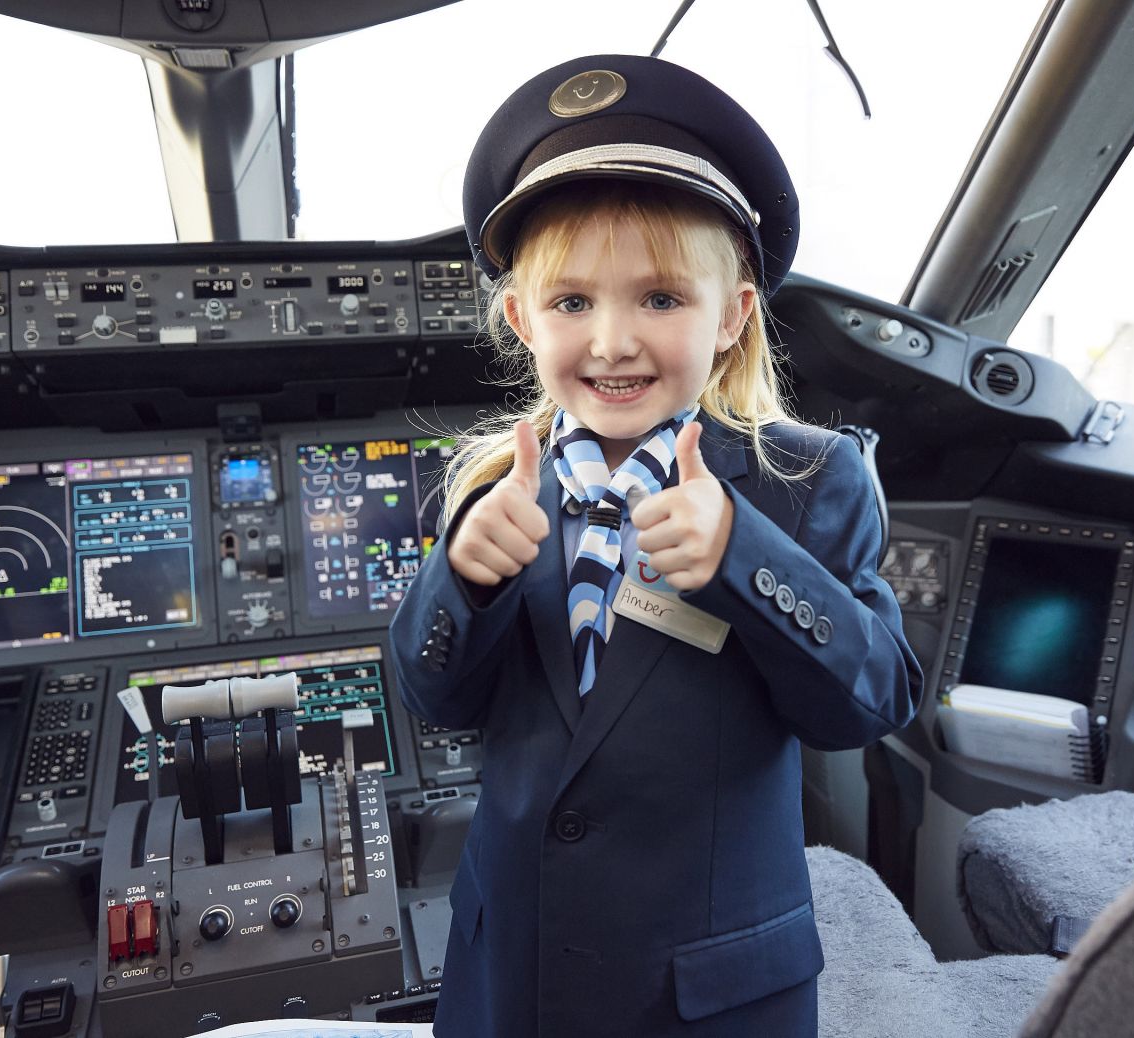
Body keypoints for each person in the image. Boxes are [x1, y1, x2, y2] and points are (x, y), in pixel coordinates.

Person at [389, 53, 922, 1037]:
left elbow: (872, 699)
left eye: (661, 299)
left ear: (732, 317)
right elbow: (436, 701)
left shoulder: (807, 481)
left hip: (712, 998)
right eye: (572, 303)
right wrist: (462, 579)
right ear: (521, 319)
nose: (612, 342)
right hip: (513, 977)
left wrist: (744, 560)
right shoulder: (492, 488)